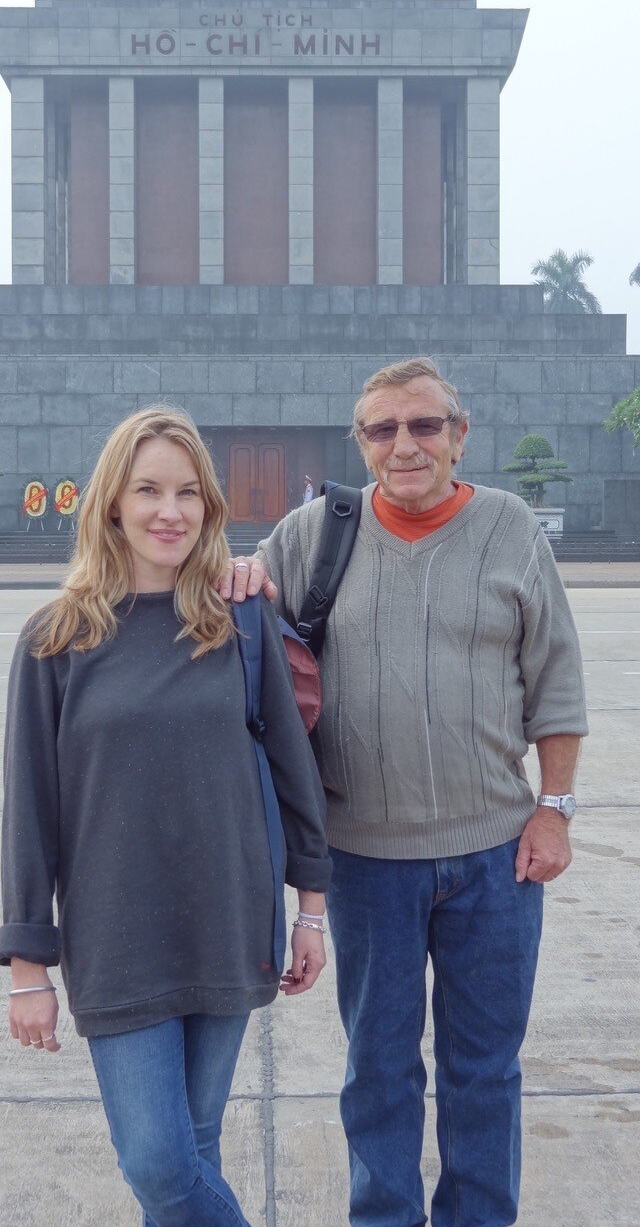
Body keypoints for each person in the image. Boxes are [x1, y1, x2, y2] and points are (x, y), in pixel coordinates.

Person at [223, 358, 588, 1227]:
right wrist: (232, 577)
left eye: (424, 425)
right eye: (383, 430)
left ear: (459, 436)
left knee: (485, 1069)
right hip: (366, 862)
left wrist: (556, 809)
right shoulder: (316, 532)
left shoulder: (508, 529)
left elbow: (557, 683)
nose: (405, 444)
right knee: (380, 1067)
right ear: (361, 444)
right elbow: (245, 624)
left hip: (496, 860)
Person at [0, 406, 331, 1227]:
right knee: (157, 1160)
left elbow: (293, 768)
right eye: (147, 489)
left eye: (188, 493)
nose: (169, 510)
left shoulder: (241, 619)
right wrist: (28, 966)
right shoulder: (56, 638)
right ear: (112, 502)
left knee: (194, 1149)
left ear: (211, 508)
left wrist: (311, 912)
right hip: (116, 936)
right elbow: (30, 809)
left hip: (228, 917)